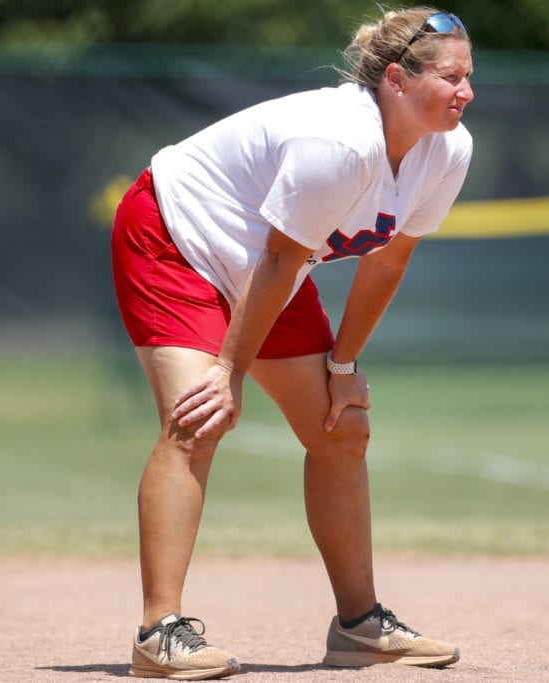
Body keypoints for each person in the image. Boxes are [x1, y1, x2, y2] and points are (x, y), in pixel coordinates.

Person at [110, 7, 473, 680]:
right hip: (174, 233)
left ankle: (360, 625)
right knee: (200, 416)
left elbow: (388, 261)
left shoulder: (447, 151)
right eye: (451, 76)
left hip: (263, 264)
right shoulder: (342, 141)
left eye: (469, 76)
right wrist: (227, 370)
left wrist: (343, 365)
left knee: (341, 429)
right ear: (397, 78)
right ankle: (158, 631)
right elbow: (278, 262)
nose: (466, 92)